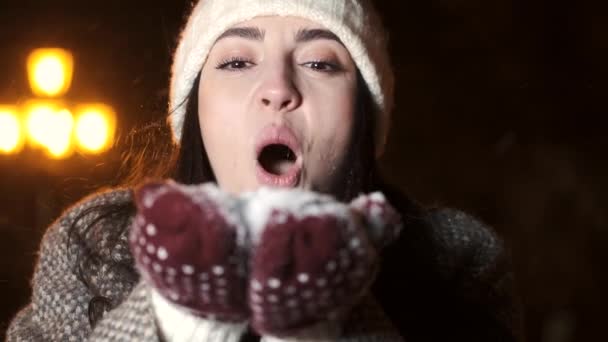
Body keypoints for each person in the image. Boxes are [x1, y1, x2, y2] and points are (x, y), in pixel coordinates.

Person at [7, 0, 522, 341]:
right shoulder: (92, 252)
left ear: (364, 114)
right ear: (195, 112)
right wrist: (175, 313)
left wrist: (329, 307)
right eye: (236, 62)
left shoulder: (457, 266)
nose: (278, 88)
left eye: (321, 63)